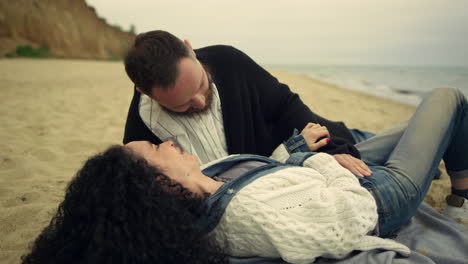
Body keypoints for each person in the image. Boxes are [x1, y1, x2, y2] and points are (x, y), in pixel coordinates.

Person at [23, 88, 468, 263]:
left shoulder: (205, 180)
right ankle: (462, 190)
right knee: (448, 99)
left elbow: (263, 168)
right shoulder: (245, 218)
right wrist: (322, 163)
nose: (168, 143)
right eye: (157, 149)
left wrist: (296, 150)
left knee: (419, 125)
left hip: (326, 171)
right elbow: (347, 217)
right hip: (378, 195)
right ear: (158, 184)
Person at [122, 30, 374, 170]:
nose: (199, 101)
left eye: (201, 84)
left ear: (190, 48)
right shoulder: (144, 127)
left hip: (334, 137)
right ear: (145, 93)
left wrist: (333, 150)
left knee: (392, 140)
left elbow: (286, 105)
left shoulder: (228, 61)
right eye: (182, 104)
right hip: (286, 162)